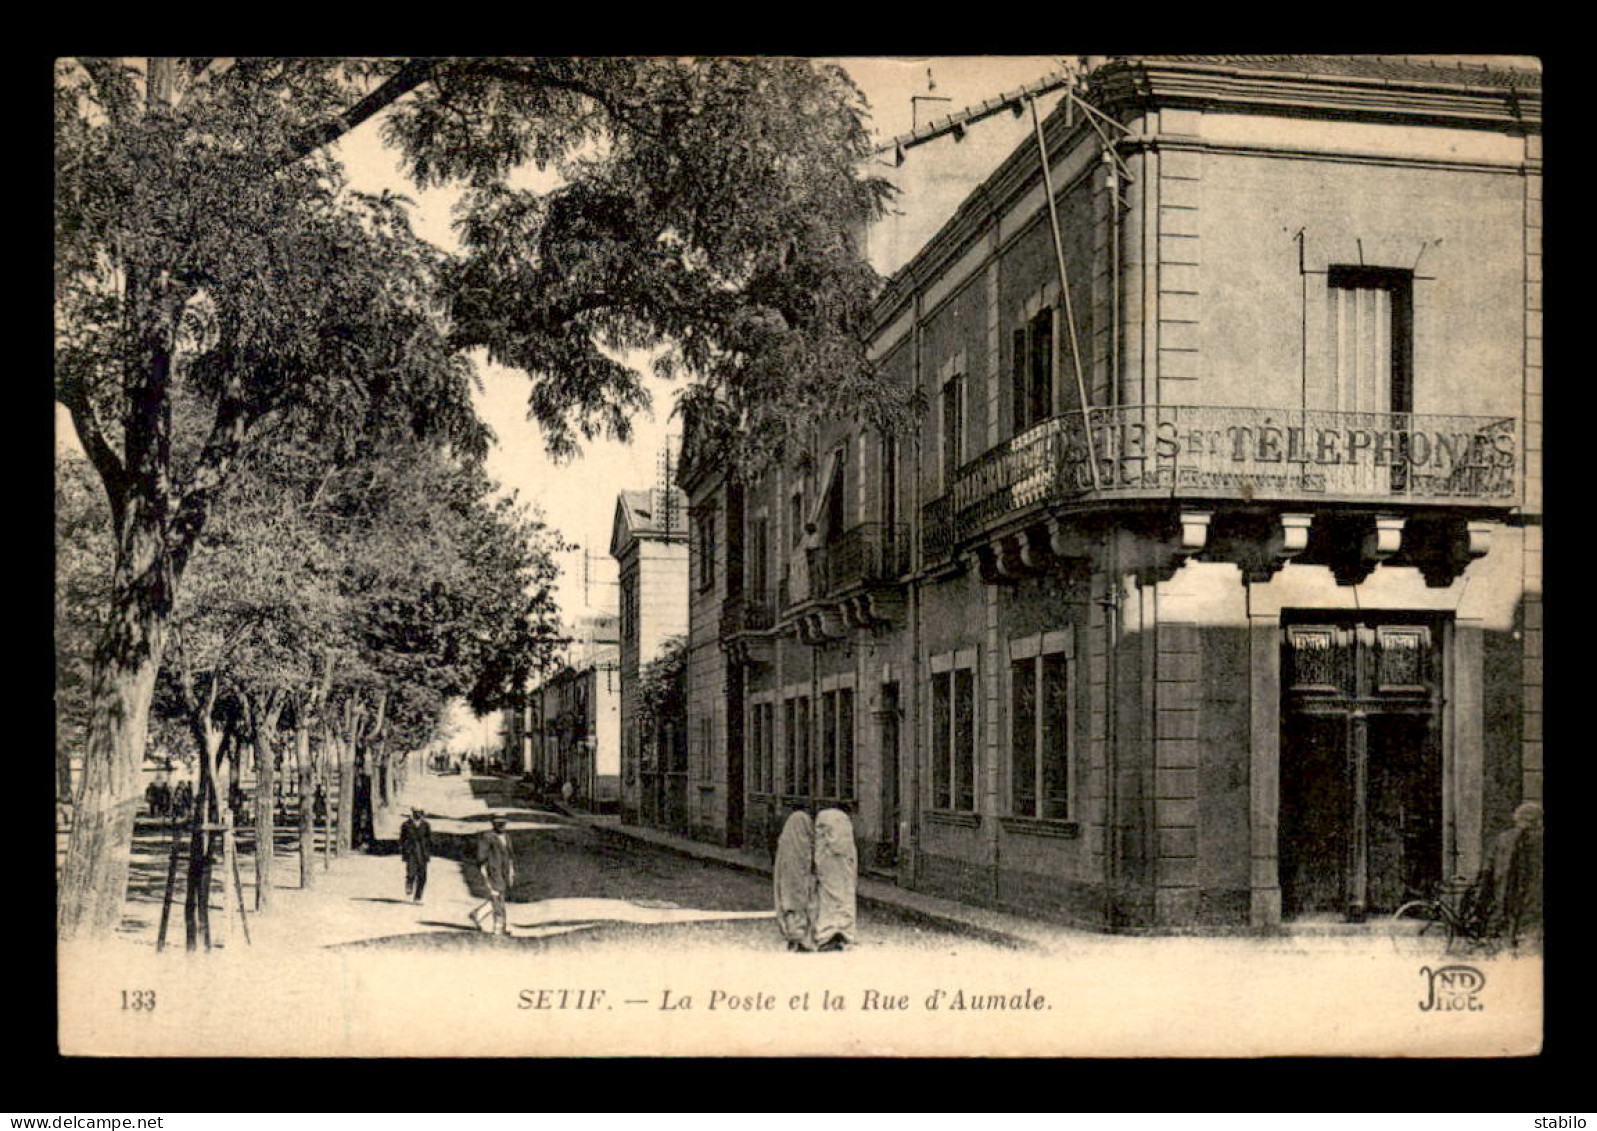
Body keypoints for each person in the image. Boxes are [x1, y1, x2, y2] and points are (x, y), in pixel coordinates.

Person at [1472, 800, 1544, 949]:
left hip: (1505, 890)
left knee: (1507, 923)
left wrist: (1484, 885)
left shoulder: (1503, 838)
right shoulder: (1537, 839)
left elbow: (1488, 866)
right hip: (1528, 892)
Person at [811, 808, 858, 951]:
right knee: (842, 900)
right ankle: (841, 932)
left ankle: (829, 932)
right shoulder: (844, 845)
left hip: (831, 872)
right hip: (841, 873)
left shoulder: (823, 844)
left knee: (829, 900)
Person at [773, 809, 817, 952]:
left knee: (790, 905)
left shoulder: (786, 842)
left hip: (788, 880)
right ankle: (802, 939)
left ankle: (793, 937)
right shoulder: (804, 843)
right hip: (800, 879)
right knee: (801, 903)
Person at [471, 814, 515, 936]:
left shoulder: (506, 836)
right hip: (493, 871)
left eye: (503, 823)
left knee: (500, 896)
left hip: (504, 872)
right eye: (498, 823)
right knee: (497, 898)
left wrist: (511, 871)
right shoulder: (487, 837)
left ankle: (477, 915)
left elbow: (510, 856)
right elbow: (481, 858)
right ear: (493, 823)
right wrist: (484, 874)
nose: (501, 825)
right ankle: (499, 928)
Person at [399, 806, 432, 903]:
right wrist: (404, 851)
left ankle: (418, 897)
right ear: (413, 813)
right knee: (411, 872)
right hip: (411, 852)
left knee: (422, 876)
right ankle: (409, 884)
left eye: (420, 812)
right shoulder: (406, 825)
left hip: (422, 853)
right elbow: (402, 839)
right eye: (416, 812)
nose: (418, 814)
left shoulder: (426, 825)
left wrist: (428, 852)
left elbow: (429, 839)